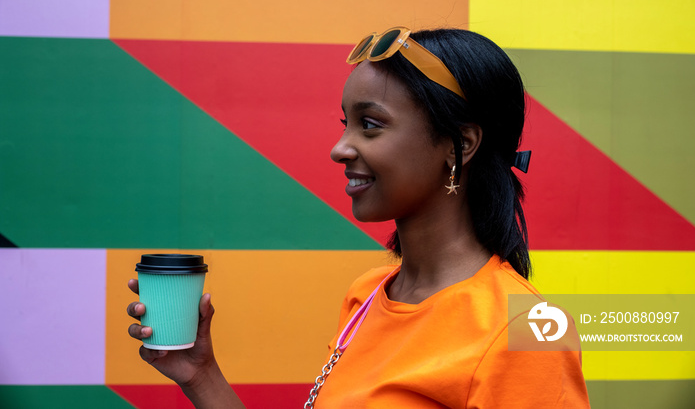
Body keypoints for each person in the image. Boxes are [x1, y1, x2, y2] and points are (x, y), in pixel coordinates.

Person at [127, 26, 590, 408]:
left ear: (460, 145)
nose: (340, 148)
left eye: (370, 124)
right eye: (344, 123)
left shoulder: (526, 329)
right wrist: (200, 373)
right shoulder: (367, 294)